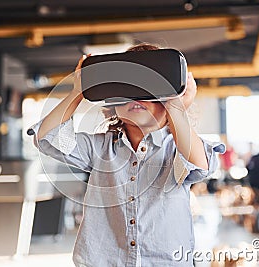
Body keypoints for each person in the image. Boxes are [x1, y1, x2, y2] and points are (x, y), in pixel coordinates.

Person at [31, 43, 224, 266]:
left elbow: (199, 165)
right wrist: (78, 92)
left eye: (148, 88)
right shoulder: (100, 148)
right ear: (113, 105)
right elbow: (46, 137)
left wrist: (176, 106)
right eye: (127, 87)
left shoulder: (177, 150)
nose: (136, 96)